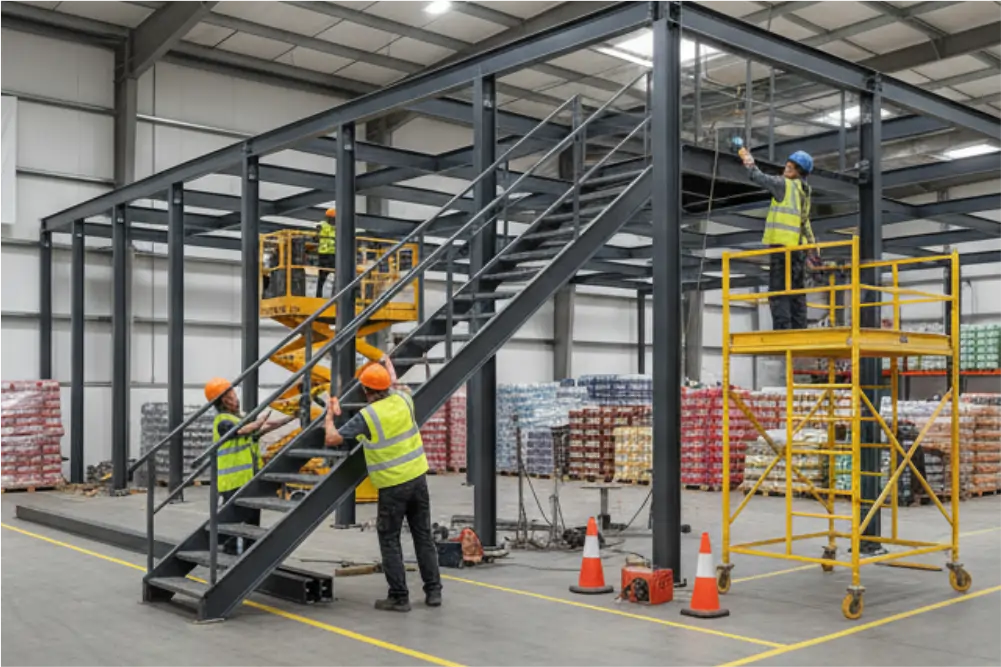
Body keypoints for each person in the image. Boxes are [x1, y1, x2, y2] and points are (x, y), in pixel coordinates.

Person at [323, 357, 442, 612]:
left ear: (365, 391)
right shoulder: (404, 400)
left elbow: (332, 439)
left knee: (389, 539)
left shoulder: (368, 416)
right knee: (423, 536)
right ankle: (434, 591)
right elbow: (397, 386)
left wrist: (329, 415)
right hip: (418, 479)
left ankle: (399, 597)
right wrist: (388, 365)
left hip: (392, 486)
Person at [204, 378, 293, 552]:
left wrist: (290, 417)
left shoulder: (239, 418)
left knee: (251, 520)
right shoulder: (222, 420)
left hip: (249, 478)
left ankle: (249, 553)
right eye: (230, 394)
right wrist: (259, 422)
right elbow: (240, 431)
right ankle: (229, 553)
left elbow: (261, 428)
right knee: (233, 522)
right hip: (232, 481)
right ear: (223, 400)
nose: (235, 397)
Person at [741, 148, 818, 330]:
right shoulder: (804, 191)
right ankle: (799, 329)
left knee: (778, 291)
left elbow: (759, 177)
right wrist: (812, 246)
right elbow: (804, 221)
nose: (786, 169)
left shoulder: (785, 185)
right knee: (796, 292)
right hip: (798, 251)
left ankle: (783, 331)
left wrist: (748, 162)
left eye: (790, 168)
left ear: (798, 172)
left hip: (783, 249)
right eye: (787, 166)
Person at [316, 207, 336, 299]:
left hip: (334, 254)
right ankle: (318, 296)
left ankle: (335, 295)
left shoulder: (338, 227)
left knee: (338, 276)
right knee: (322, 277)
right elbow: (316, 236)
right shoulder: (322, 225)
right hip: (324, 254)